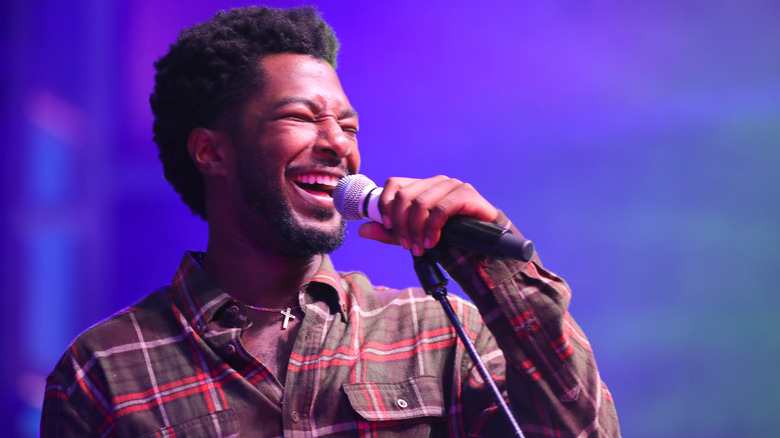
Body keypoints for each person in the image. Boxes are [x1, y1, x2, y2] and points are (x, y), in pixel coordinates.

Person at [40, 6, 619, 437]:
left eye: (349, 126)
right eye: (302, 117)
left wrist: (490, 266)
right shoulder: (106, 369)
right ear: (211, 153)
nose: (337, 145)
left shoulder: (437, 332)